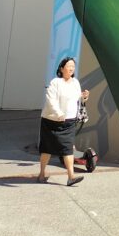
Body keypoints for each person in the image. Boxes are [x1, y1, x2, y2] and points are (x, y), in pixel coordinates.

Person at [37, 57, 90, 186]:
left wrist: (84, 97)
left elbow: (77, 100)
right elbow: (51, 100)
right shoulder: (55, 82)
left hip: (69, 121)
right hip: (52, 120)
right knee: (47, 149)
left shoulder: (75, 82)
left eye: (73, 66)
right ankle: (42, 174)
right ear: (61, 68)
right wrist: (59, 113)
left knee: (68, 149)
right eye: (68, 66)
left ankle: (71, 176)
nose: (71, 68)